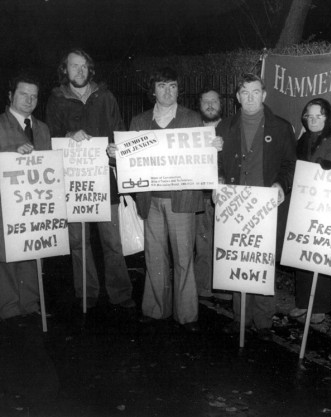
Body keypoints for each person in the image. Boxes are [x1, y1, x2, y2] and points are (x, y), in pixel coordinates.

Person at [128, 68, 222, 332]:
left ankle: (187, 314)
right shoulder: (139, 121)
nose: (167, 91)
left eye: (172, 86)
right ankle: (155, 309)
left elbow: (204, 154)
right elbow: (130, 161)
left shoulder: (192, 119)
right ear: (153, 90)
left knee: (183, 258)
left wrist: (213, 147)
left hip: (182, 200)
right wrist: (116, 154)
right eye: (161, 85)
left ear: (178, 90)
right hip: (150, 200)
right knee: (154, 257)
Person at [45, 48, 135, 310]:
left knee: (112, 241)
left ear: (90, 69)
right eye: (74, 66)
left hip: (105, 180)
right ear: (66, 70)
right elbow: (51, 139)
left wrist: (115, 150)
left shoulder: (105, 97)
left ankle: (120, 293)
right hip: (74, 184)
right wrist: (68, 135)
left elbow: (120, 132)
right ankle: (87, 292)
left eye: (84, 66)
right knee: (78, 242)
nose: (80, 71)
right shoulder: (56, 99)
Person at [217, 73, 297, 340]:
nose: (250, 98)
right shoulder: (224, 127)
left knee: (262, 262)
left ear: (263, 95)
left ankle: (263, 321)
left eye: (255, 92)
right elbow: (213, 164)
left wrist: (280, 185)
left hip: (265, 205)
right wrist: (217, 182)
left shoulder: (281, 127)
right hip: (234, 203)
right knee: (238, 259)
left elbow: (290, 165)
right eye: (244, 93)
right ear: (237, 97)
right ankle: (241, 317)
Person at [0, 72, 59, 406]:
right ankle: (9, 311)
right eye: (24, 95)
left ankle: (31, 307)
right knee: (7, 257)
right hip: (6, 207)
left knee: (32, 256)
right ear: (11, 95)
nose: (29, 100)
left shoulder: (44, 129)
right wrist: (12, 152)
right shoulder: (1, 125)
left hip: (34, 210)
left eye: (34, 96)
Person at [288, 98, 331, 324]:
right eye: (309, 116)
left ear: (327, 117)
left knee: (319, 254)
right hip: (301, 203)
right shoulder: (303, 139)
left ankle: (319, 306)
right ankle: (303, 302)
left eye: (318, 116)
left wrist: (324, 164)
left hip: (323, 204)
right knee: (300, 252)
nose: (313, 120)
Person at [195, 88, 230, 301]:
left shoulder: (231, 127)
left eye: (214, 101)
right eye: (205, 101)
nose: (210, 105)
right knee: (202, 242)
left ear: (221, 104)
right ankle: (203, 287)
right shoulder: (190, 130)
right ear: (199, 105)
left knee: (224, 242)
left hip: (225, 194)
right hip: (200, 194)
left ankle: (225, 288)